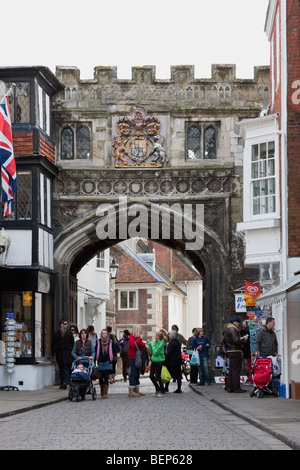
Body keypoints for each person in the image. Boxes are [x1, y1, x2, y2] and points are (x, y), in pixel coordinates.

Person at [222, 317, 248, 393]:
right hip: (235, 351)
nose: (238, 324)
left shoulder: (228, 329)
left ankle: (230, 387)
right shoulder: (233, 329)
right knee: (236, 370)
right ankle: (236, 388)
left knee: (232, 370)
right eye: (238, 323)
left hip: (231, 351)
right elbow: (236, 340)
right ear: (235, 322)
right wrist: (244, 339)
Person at [95, 329, 118, 398]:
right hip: (100, 361)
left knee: (106, 376)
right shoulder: (98, 342)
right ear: (101, 334)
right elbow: (96, 350)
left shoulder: (111, 342)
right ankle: (102, 389)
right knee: (100, 377)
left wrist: (113, 357)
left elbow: (115, 351)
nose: (104, 335)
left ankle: (105, 392)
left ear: (107, 334)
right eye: (103, 333)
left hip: (108, 361)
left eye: (105, 333)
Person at [52, 319, 74, 389]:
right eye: (65, 324)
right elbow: (53, 343)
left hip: (67, 353)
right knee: (61, 368)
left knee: (66, 367)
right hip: (59, 354)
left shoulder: (69, 333)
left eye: (66, 324)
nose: (66, 325)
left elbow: (72, 343)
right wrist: (55, 351)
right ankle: (62, 382)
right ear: (61, 325)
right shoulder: (56, 333)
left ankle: (65, 382)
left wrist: (70, 350)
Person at [128, 324, 146, 397]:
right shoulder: (132, 336)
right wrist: (139, 339)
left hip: (138, 357)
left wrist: (140, 339)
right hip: (133, 357)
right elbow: (133, 345)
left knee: (137, 373)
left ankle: (136, 389)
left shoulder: (137, 337)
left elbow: (142, 345)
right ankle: (131, 390)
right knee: (133, 372)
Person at [147, 331, 165, 397]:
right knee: (151, 376)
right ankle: (158, 388)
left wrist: (152, 345)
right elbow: (152, 351)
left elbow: (155, 352)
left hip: (159, 361)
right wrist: (149, 344)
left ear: (158, 336)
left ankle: (162, 391)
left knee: (158, 376)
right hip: (154, 361)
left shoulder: (161, 343)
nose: (154, 336)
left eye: (155, 335)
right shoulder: (155, 343)